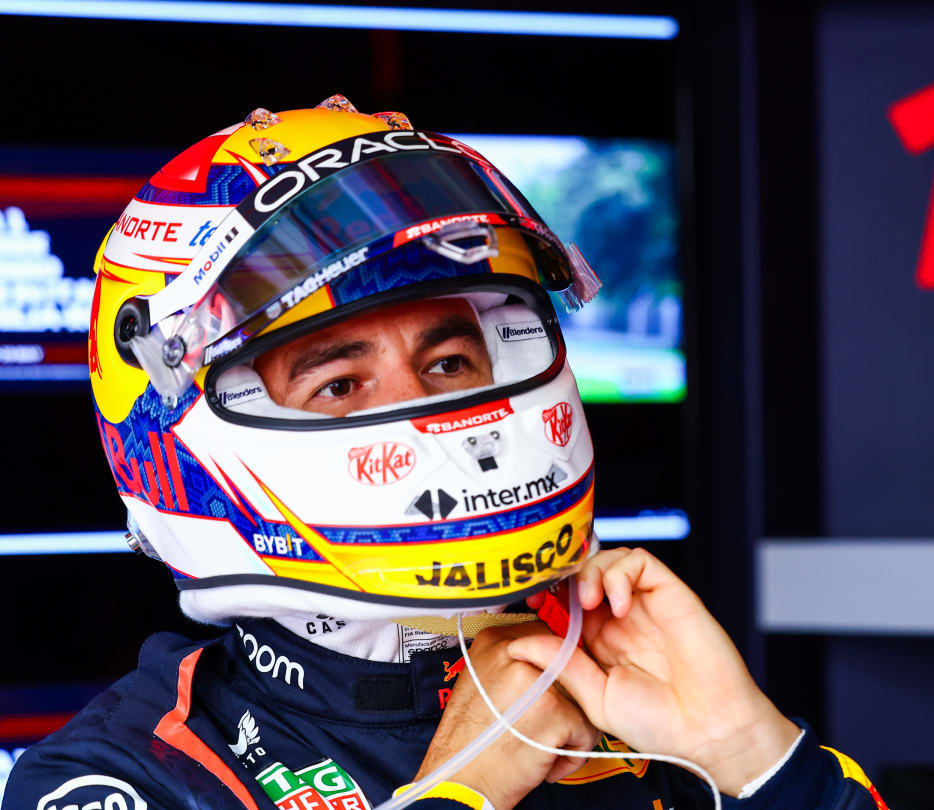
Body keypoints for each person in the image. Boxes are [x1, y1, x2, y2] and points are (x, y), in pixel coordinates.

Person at [4, 98, 887, 810]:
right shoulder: (125, 777)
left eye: (450, 361)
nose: (431, 412)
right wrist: (463, 791)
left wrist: (759, 759)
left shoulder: (639, 705)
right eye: (341, 384)